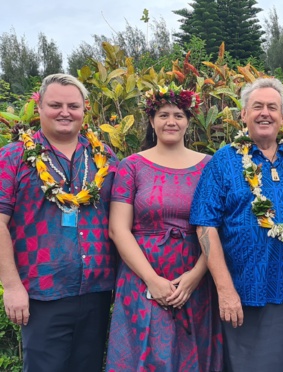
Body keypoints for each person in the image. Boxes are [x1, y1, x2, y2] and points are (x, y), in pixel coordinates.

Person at [189, 78, 283, 371]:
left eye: (273, 107)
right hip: (246, 294)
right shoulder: (224, 161)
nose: (265, 113)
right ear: (243, 114)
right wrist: (225, 290)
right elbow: (205, 226)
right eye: (257, 106)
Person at [0, 74, 117, 371]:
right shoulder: (13, 157)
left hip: (97, 289)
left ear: (84, 110)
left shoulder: (104, 157)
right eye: (55, 104)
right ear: (38, 107)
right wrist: (12, 286)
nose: (65, 112)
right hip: (42, 291)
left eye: (73, 106)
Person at [105, 84, 222, 371]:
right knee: (146, 357)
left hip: (194, 280)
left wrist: (195, 276)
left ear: (188, 121)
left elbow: (217, 228)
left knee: (191, 358)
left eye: (179, 115)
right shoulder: (131, 166)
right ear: (152, 120)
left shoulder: (210, 166)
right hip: (142, 279)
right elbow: (118, 230)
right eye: (163, 115)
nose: (171, 121)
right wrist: (152, 280)